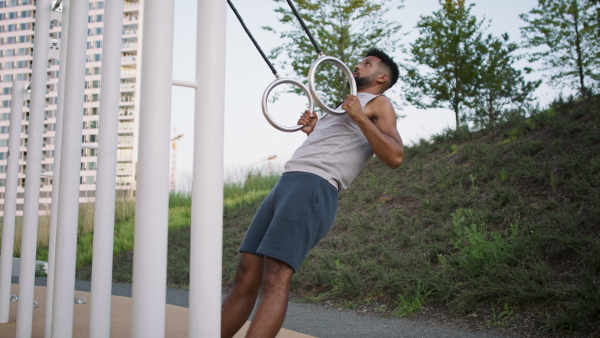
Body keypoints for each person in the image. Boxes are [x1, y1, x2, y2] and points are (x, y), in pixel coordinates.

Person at [221, 48, 404, 338]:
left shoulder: (379, 103)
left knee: (276, 278)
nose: (357, 65)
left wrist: (359, 117)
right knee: (246, 272)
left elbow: (395, 156)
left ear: (382, 77)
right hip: (288, 181)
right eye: (359, 61)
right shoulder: (344, 105)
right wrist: (314, 131)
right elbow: (339, 145)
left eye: (366, 63)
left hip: (315, 186)